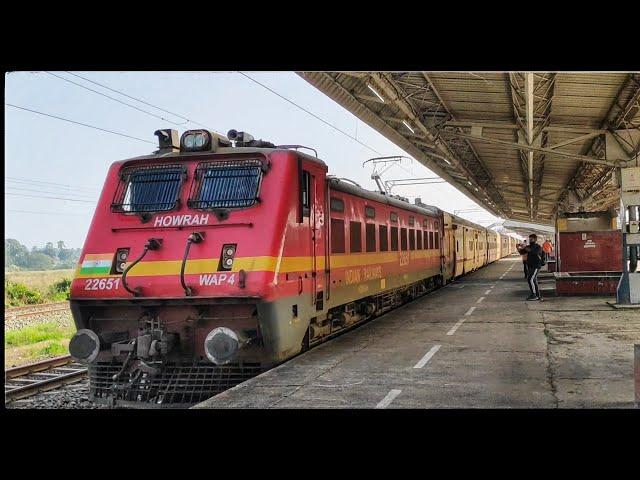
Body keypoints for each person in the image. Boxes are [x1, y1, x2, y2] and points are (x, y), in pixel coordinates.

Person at [518, 234, 544, 300]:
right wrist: (518, 248)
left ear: (535, 239)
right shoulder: (529, 246)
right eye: (529, 239)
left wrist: (524, 247)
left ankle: (534, 295)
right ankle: (537, 295)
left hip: (536, 265)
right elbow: (522, 252)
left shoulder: (538, 247)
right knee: (533, 280)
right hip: (530, 265)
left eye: (531, 239)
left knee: (530, 279)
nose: (530, 240)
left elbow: (534, 252)